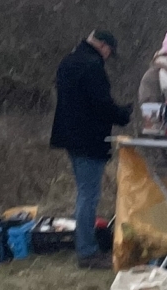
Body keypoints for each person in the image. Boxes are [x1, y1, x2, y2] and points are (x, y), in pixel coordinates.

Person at [48, 29, 130, 270]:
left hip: (70, 138)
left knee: (84, 194)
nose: (107, 56)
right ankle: (87, 251)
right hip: (89, 139)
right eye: (108, 52)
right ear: (102, 46)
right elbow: (101, 104)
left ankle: (85, 244)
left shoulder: (68, 61)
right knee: (88, 196)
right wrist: (122, 114)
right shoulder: (92, 66)